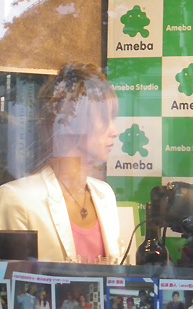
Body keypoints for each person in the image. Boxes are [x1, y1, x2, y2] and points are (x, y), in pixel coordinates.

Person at [0, 63, 122, 263]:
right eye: (104, 119)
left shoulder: (105, 195)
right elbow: (12, 280)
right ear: (72, 122)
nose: (114, 131)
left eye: (112, 118)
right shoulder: (17, 200)